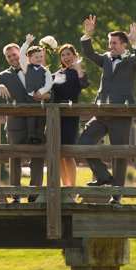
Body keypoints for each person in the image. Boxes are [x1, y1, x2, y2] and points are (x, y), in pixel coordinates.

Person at [77, 16, 136, 204]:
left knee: (119, 155)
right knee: (84, 142)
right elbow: (89, 53)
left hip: (121, 115)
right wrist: (88, 33)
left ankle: (117, 195)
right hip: (101, 113)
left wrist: (135, 41)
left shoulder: (132, 61)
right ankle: (103, 176)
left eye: (114, 43)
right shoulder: (106, 59)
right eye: (109, 43)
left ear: (124, 45)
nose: (111, 46)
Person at [0, 42, 46, 203]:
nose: (13, 58)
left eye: (14, 54)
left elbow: (50, 89)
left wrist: (45, 96)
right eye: (9, 57)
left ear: (21, 54)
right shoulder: (3, 75)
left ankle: (34, 196)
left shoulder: (35, 69)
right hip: (15, 124)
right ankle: (15, 195)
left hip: (35, 122)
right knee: (14, 160)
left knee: (38, 158)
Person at [52, 44, 89, 200]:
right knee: (58, 154)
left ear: (74, 55)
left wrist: (79, 67)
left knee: (68, 153)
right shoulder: (55, 74)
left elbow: (84, 85)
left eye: (68, 54)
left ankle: (72, 190)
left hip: (70, 114)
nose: (65, 58)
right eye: (62, 55)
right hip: (54, 115)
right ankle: (64, 188)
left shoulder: (79, 73)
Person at [19, 35, 54, 144]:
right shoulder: (26, 67)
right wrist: (27, 43)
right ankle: (31, 137)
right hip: (30, 98)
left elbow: (49, 83)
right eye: (36, 57)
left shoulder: (45, 70)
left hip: (41, 99)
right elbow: (21, 55)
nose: (39, 59)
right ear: (29, 59)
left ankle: (40, 137)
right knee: (31, 119)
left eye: (41, 56)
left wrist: (42, 92)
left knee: (41, 119)